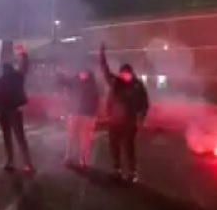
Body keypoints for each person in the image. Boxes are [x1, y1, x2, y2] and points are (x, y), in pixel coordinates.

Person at [99, 43, 150, 183]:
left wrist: (141, 117)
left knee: (129, 149)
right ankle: (117, 170)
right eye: (122, 73)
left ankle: (132, 173)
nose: (124, 76)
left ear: (131, 73)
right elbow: (104, 70)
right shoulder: (116, 82)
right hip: (114, 122)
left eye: (126, 74)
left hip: (129, 123)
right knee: (114, 147)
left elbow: (145, 103)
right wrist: (101, 54)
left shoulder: (137, 86)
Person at [0, 44, 33, 173]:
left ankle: (11, 161)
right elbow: (24, 67)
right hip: (13, 111)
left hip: (5, 112)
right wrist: (23, 54)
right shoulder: (17, 77)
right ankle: (26, 163)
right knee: (19, 138)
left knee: (8, 138)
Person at [57, 65, 101, 168]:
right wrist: (60, 74)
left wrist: (95, 114)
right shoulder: (74, 81)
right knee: (70, 137)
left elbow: (97, 99)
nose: (82, 75)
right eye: (81, 73)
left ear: (88, 73)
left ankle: (83, 159)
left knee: (85, 139)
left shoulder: (93, 84)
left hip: (88, 115)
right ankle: (68, 156)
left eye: (84, 73)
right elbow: (63, 82)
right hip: (74, 113)